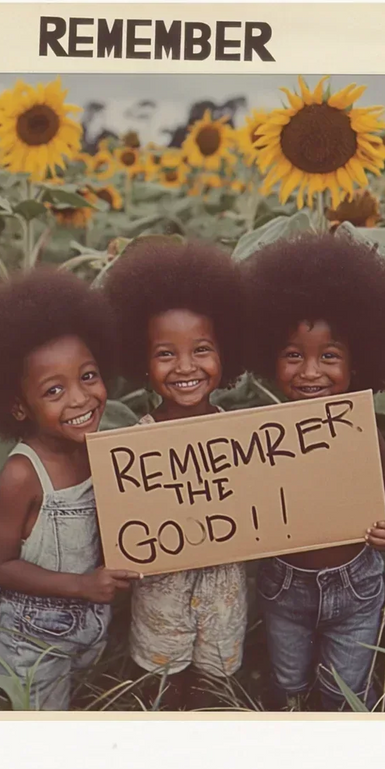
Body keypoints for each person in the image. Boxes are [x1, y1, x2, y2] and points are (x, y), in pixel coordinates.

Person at [0, 268, 138, 710]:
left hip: (88, 619)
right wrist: (82, 585)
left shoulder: (99, 449)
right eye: (54, 390)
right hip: (29, 637)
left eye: (88, 376)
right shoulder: (22, 475)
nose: (80, 399)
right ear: (18, 406)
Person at [241, 232, 385, 710]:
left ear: (358, 363)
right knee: (287, 681)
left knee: (345, 689)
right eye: (294, 355)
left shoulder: (363, 433)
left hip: (355, 587)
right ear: (270, 357)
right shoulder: (263, 437)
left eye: (328, 356)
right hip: (284, 586)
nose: (310, 372)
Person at [102, 239, 251, 709]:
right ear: (141, 363)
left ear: (226, 353)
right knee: (159, 692)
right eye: (165, 354)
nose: (186, 367)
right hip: (159, 607)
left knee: (217, 693)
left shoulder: (248, 440)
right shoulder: (132, 449)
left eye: (201, 350)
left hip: (224, 602)